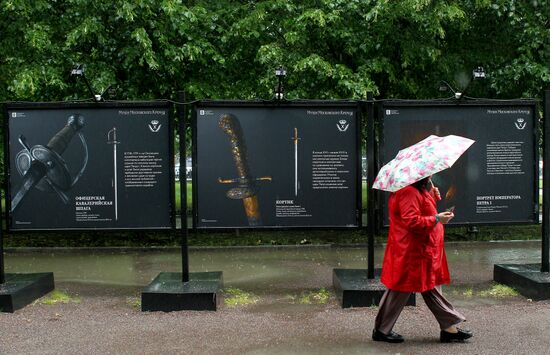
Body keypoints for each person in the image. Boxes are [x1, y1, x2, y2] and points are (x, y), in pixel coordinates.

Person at [372, 175, 473, 343]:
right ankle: (382, 330)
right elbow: (412, 221)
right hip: (413, 252)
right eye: (429, 173)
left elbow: (421, 210)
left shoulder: (417, 190)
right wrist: (437, 218)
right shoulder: (408, 192)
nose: (431, 175)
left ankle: (448, 328)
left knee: (428, 285)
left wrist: (431, 197)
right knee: (402, 288)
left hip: (424, 250)